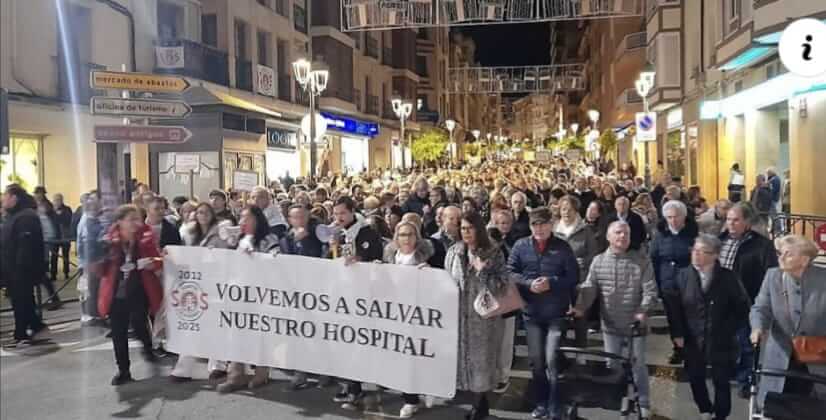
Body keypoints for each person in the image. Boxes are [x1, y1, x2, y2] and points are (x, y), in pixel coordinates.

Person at [573, 221, 658, 420]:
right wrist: (579, 307)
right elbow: (590, 288)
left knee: (637, 365)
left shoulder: (641, 261)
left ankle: (643, 402)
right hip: (610, 324)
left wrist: (643, 311)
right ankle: (617, 397)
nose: (622, 237)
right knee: (613, 366)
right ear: (609, 237)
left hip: (635, 326)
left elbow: (650, 291)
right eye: (618, 233)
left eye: (626, 234)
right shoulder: (599, 261)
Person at [664, 234, 750, 420]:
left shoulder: (728, 278)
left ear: (715, 255)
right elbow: (674, 308)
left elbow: (742, 308)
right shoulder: (683, 275)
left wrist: (729, 328)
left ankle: (721, 415)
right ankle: (704, 408)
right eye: (694, 250)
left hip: (721, 338)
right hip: (692, 337)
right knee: (695, 377)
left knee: (721, 380)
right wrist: (677, 333)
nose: (697, 255)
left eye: (703, 252)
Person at [508, 206, 579, 420]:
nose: (538, 228)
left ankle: (556, 404)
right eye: (534, 224)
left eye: (543, 224)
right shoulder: (521, 246)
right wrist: (529, 284)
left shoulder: (562, 247)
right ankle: (541, 402)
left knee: (552, 359)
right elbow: (510, 271)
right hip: (531, 314)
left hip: (556, 313)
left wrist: (552, 283)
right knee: (537, 361)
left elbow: (574, 276)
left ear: (551, 224)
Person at [445, 211, 508, 420]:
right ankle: (477, 404)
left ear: (478, 229)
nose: (466, 233)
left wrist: (483, 273)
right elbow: (446, 280)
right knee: (465, 363)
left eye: (470, 228)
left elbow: (502, 285)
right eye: (462, 228)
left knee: (482, 363)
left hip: (483, 320)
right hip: (459, 317)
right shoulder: (454, 251)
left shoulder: (493, 252)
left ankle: (480, 404)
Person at [750, 235, 826, 409]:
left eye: (788, 254)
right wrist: (757, 327)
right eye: (780, 253)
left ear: (805, 259)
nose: (781, 258)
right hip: (781, 357)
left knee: (812, 410)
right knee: (777, 408)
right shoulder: (772, 276)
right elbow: (761, 307)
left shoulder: (823, 280)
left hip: (816, 358)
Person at [98, 205, 163, 385]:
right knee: (118, 332)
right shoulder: (109, 240)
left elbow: (158, 260)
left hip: (139, 290)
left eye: (138, 219)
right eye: (131, 219)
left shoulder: (145, 237)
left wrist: (152, 263)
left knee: (139, 323)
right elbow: (101, 269)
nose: (136, 223)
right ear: (120, 222)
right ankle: (123, 370)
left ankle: (148, 349)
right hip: (116, 293)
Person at [718, 203, 778, 398]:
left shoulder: (762, 245)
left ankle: (746, 381)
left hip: (747, 303)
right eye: (728, 220)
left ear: (747, 222)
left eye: (736, 220)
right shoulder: (720, 240)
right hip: (721, 304)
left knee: (746, 345)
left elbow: (770, 275)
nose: (731, 224)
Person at [217, 206, 280, 393]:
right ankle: (236, 374)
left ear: (258, 220)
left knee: (259, 334)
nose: (243, 222)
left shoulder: (269, 239)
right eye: (241, 218)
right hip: (238, 293)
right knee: (235, 333)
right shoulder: (236, 239)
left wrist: (258, 258)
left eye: (247, 218)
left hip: (259, 294)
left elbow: (277, 262)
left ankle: (262, 372)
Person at [329, 196, 384, 409]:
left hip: (364, 295)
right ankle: (351, 385)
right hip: (343, 293)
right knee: (345, 341)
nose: (338, 217)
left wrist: (359, 259)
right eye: (335, 214)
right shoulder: (337, 234)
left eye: (342, 213)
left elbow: (376, 257)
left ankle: (357, 387)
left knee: (359, 342)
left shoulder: (366, 232)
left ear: (353, 211)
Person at [169, 203, 232, 383]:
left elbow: (230, 251)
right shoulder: (189, 233)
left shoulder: (222, 229)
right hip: (195, 283)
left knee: (216, 325)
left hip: (217, 281)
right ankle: (183, 368)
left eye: (206, 212)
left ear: (212, 214)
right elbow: (183, 255)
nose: (202, 215)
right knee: (193, 325)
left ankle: (218, 365)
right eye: (199, 212)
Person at [381, 221, 433, 418]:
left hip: (421, 314)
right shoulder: (390, 256)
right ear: (396, 237)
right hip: (397, 314)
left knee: (421, 355)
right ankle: (410, 399)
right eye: (402, 234)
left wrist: (429, 271)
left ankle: (427, 387)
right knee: (404, 358)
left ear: (416, 236)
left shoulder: (426, 255)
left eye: (410, 234)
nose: (406, 238)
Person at [649, 200, 699, 365]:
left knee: (690, 317)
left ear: (684, 217)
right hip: (668, 282)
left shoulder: (693, 234)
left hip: (689, 282)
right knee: (674, 317)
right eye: (669, 217)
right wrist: (655, 283)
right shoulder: (660, 235)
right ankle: (678, 349)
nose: (673, 220)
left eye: (676, 217)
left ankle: (693, 349)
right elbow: (654, 259)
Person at [1, 185, 49, 346]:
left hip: (20, 270)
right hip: (12, 269)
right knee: (22, 301)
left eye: (5, 196)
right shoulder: (14, 216)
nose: (3, 199)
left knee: (21, 301)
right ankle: (34, 326)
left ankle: (21, 333)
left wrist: (19, 269)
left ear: (14, 198)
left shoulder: (25, 217)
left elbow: (25, 246)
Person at [77, 194, 108, 325]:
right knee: (91, 289)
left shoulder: (93, 220)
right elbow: (88, 242)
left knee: (92, 288)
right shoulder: (88, 221)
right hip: (91, 261)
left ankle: (93, 313)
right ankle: (92, 315)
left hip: (91, 260)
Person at [36, 198, 63, 309]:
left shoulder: (41, 218)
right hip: (41, 251)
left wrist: (44, 244)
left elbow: (49, 234)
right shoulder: (41, 217)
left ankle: (54, 299)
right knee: (41, 277)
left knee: (42, 277)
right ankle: (53, 299)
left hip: (40, 252)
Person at [53, 193, 73, 280]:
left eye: (59, 200)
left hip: (65, 236)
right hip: (54, 236)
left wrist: (60, 214)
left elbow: (68, 220)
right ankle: (53, 274)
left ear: (62, 200)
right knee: (54, 256)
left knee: (65, 255)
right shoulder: (51, 210)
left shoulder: (67, 209)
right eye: (55, 200)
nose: (57, 202)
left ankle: (66, 273)